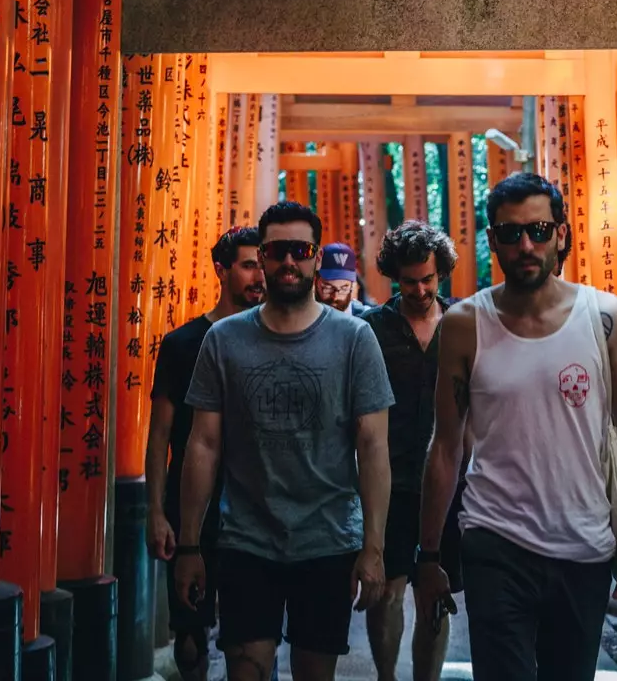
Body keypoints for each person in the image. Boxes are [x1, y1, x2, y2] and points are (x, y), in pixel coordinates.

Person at [415, 173, 617, 681]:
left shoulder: (605, 317)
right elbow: (445, 447)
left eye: (539, 230)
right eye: (510, 233)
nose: (525, 245)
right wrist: (430, 555)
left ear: (562, 235)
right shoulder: (464, 324)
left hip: (584, 544)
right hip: (495, 539)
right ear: (492, 241)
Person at [174, 201, 395, 681]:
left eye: (301, 250)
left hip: (328, 539)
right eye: (277, 251)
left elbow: (374, 446)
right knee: (245, 669)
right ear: (264, 256)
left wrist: (373, 547)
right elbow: (203, 444)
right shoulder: (224, 341)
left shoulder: (355, 340)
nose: (288, 261)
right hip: (247, 539)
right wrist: (190, 546)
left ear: (316, 257)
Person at [146, 226, 266, 679]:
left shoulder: (272, 337)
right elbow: (160, 436)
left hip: (254, 508)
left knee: (251, 636)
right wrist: (155, 512)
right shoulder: (181, 344)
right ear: (222, 269)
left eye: (262, 264)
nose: (259, 276)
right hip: (192, 507)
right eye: (248, 264)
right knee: (191, 639)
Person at [358, 220, 465, 681]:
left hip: (450, 484)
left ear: (441, 273)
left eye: (428, 279)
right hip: (391, 481)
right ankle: (386, 677)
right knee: (386, 593)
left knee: (434, 597)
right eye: (409, 282)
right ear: (393, 278)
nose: (420, 290)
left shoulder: (462, 324)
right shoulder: (371, 330)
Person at [315, 241, 370, 315]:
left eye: (344, 288)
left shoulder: (368, 319)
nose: (335, 297)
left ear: (352, 286)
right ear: (315, 281)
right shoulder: (300, 319)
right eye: (328, 287)